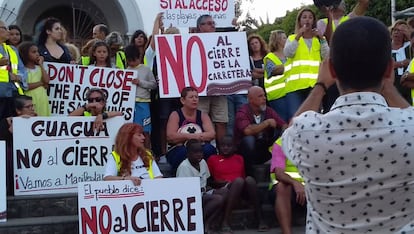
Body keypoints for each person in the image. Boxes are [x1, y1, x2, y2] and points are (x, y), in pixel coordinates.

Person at [282, 16, 414, 233]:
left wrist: (319, 86)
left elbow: (291, 131)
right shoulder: (409, 128)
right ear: (389, 70)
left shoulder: (308, 133)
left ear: (332, 70)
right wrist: (389, 87)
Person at [207, 136, 268, 233]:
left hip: (241, 192)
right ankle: (225, 221)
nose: (226, 148)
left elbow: (244, 177)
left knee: (250, 180)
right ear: (218, 147)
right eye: (223, 145)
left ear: (234, 147)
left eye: (229, 145)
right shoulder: (212, 159)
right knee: (239, 181)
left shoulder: (239, 158)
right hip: (225, 190)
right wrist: (224, 183)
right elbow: (210, 181)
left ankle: (260, 219)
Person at [283, 8, 329, 122]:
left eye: (310, 17)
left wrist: (322, 39)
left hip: (313, 86)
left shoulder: (318, 40)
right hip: (295, 87)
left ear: (313, 21)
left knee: (314, 119)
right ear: (299, 21)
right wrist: (298, 36)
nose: (307, 20)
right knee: (295, 120)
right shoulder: (292, 38)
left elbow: (327, 56)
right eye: (304, 17)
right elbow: (288, 53)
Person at [234, 86, 286, 176]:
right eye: (260, 96)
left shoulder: (268, 111)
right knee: (249, 140)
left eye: (264, 95)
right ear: (251, 100)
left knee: (281, 134)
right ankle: (250, 174)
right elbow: (247, 131)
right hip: (246, 152)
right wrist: (266, 123)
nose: (264, 98)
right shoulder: (242, 112)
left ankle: (276, 166)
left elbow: (284, 125)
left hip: (265, 148)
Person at [176, 139, 225, 233]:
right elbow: (183, 191)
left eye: (201, 152)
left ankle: (209, 222)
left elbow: (207, 180)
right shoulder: (184, 167)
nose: (199, 154)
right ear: (188, 154)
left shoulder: (202, 162)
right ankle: (200, 221)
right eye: (195, 152)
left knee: (225, 192)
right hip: (192, 198)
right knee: (218, 199)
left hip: (204, 192)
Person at [166, 86, 217, 172]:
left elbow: (211, 134)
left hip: (198, 147)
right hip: (180, 149)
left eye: (196, 97)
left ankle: (207, 177)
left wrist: (186, 137)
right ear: (183, 100)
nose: (194, 99)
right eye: (191, 97)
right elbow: (171, 136)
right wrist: (194, 137)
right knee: (182, 152)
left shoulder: (203, 115)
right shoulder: (175, 115)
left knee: (209, 149)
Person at [196, 14, 228, 146]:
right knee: (200, 121)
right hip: (200, 91)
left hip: (220, 88)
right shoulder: (191, 41)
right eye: (209, 23)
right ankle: (202, 153)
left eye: (213, 23)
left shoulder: (223, 41)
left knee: (221, 121)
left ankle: (221, 152)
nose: (213, 25)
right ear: (200, 26)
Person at [0, 95, 37, 195]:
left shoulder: (37, 120)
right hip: (11, 172)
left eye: (33, 106)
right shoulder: (5, 123)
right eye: (28, 107)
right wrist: (12, 129)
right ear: (18, 110)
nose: (32, 109)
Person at [269, 138, 305, 234]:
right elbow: (279, 174)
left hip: (310, 186)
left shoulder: (314, 140)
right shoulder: (281, 143)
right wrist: (295, 183)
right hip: (287, 189)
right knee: (282, 186)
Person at [124, 44, 157, 149]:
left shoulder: (146, 69)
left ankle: (147, 153)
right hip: (130, 105)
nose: (132, 63)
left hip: (143, 104)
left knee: (145, 130)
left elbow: (154, 85)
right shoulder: (126, 71)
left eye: (134, 60)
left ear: (139, 57)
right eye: (129, 61)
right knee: (131, 131)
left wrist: (140, 82)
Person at [0, 20, 28, 119]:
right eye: (5, 28)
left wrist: (18, 77)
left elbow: (22, 70)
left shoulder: (12, 50)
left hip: (13, 94)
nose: (8, 31)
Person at [18, 42, 51, 116]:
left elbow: (46, 81)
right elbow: (26, 86)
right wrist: (41, 83)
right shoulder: (22, 70)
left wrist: (41, 64)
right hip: (30, 99)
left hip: (42, 99)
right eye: (33, 52)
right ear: (25, 54)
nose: (37, 54)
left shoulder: (39, 68)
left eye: (37, 51)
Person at [264, 30, 289, 122]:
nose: (287, 40)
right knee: (283, 122)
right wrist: (291, 66)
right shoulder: (269, 57)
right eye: (284, 38)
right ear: (277, 40)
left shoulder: (289, 55)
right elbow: (273, 70)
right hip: (277, 96)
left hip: (290, 93)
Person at [391, 20, 412, 103]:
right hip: (392, 84)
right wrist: (402, 63)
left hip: (408, 84)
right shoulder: (385, 47)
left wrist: (408, 33)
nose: (396, 32)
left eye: (399, 31)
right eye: (394, 30)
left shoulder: (409, 47)